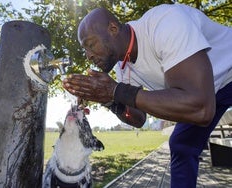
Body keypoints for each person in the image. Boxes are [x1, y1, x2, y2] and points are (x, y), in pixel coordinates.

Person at [62, 3, 232, 188]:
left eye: (90, 44)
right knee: (181, 145)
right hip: (210, 92)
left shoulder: (165, 22)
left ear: (113, 28)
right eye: (84, 49)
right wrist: (109, 100)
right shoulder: (122, 66)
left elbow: (201, 109)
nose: (88, 55)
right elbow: (138, 118)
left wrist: (116, 91)